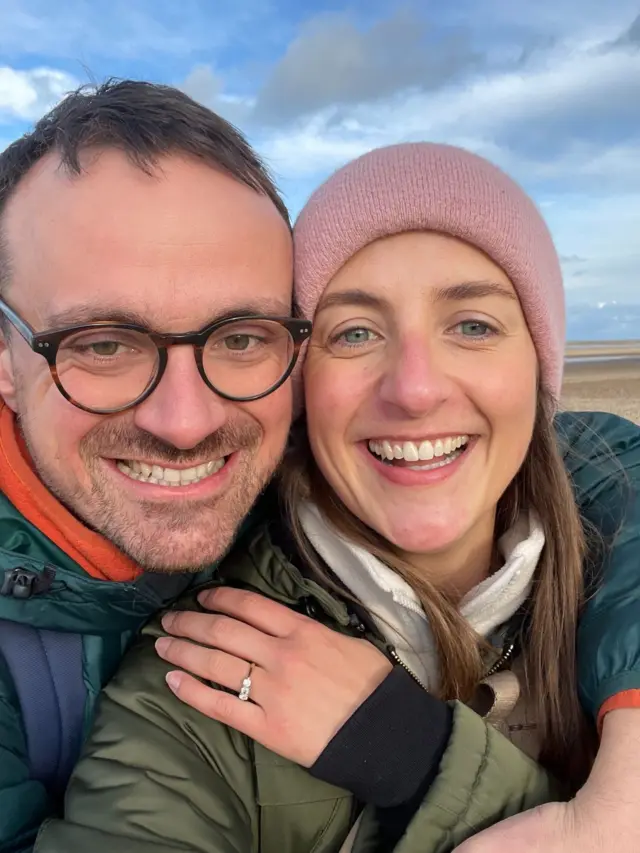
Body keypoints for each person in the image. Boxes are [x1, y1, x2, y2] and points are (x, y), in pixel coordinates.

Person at [37, 144, 640, 853]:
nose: (415, 388)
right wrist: (409, 754)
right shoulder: (195, 686)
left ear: (539, 370)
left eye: (472, 325)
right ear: (298, 387)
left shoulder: (607, 540)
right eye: (353, 331)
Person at [0, 79, 305, 851]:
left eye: (240, 337)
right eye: (103, 343)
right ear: (5, 357)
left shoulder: (310, 469)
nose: (186, 421)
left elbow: (594, 464)